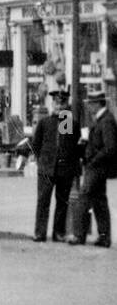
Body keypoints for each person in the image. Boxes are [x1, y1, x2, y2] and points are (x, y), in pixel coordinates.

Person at [68, 91, 116, 247]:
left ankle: (79, 235)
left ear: (97, 104)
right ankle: (104, 237)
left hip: (96, 168)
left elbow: (110, 147)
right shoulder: (102, 119)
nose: (88, 107)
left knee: (83, 198)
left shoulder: (106, 121)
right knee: (99, 202)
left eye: (90, 103)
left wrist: (93, 160)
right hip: (97, 167)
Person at [31, 89, 80, 242]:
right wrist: (43, 162)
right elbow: (36, 145)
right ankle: (40, 232)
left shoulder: (69, 123)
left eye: (62, 103)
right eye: (57, 103)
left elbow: (71, 145)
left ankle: (58, 232)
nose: (59, 106)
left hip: (64, 170)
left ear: (66, 105)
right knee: (43, 201)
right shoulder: (44, 122)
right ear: (52, 104)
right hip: (46, 169)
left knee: (62, 202)